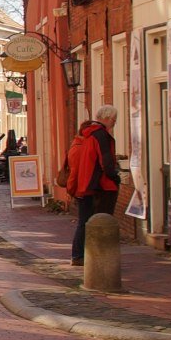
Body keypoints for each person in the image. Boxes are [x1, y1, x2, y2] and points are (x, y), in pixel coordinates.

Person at [66, 105, 120, 266]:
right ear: (108, 118)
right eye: (114, 119)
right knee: (99, 222)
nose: (115, 123)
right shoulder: (100, 135)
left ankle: (79, 255)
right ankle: (95, 256)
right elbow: (105, 160)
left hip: (84, 184)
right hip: (97, 185)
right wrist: (114, 177)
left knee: (85, 221)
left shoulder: (86, 135)